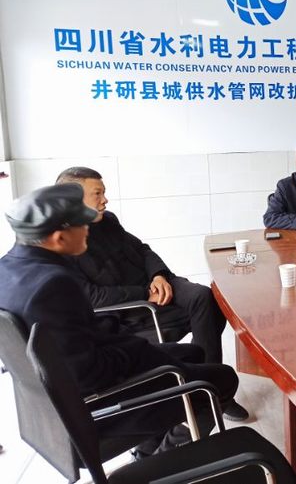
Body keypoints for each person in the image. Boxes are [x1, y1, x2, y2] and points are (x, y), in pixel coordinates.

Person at [0, 184, 239, 456]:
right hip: (94, 410)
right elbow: (90, 374)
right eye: (82, 224)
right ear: (59, 237)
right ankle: (159, 462)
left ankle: (147, 451)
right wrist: (139, 351)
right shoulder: (52, 285)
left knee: (194, 354)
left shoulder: (7, 270)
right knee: (221, 380)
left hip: (54, 409)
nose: (88, 229)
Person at [55, 167, 249, 421]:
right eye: (97, 194)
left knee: (205, 298)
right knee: (206, 316)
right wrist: (145, 293)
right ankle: (208, 392)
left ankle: (209, 388)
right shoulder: (65, 240)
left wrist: (158, 275)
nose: (105, 200)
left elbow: (143, 250)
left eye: (104, 192)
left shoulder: (108, 220)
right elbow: (93, 297)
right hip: (133, 309)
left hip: (156, 285)